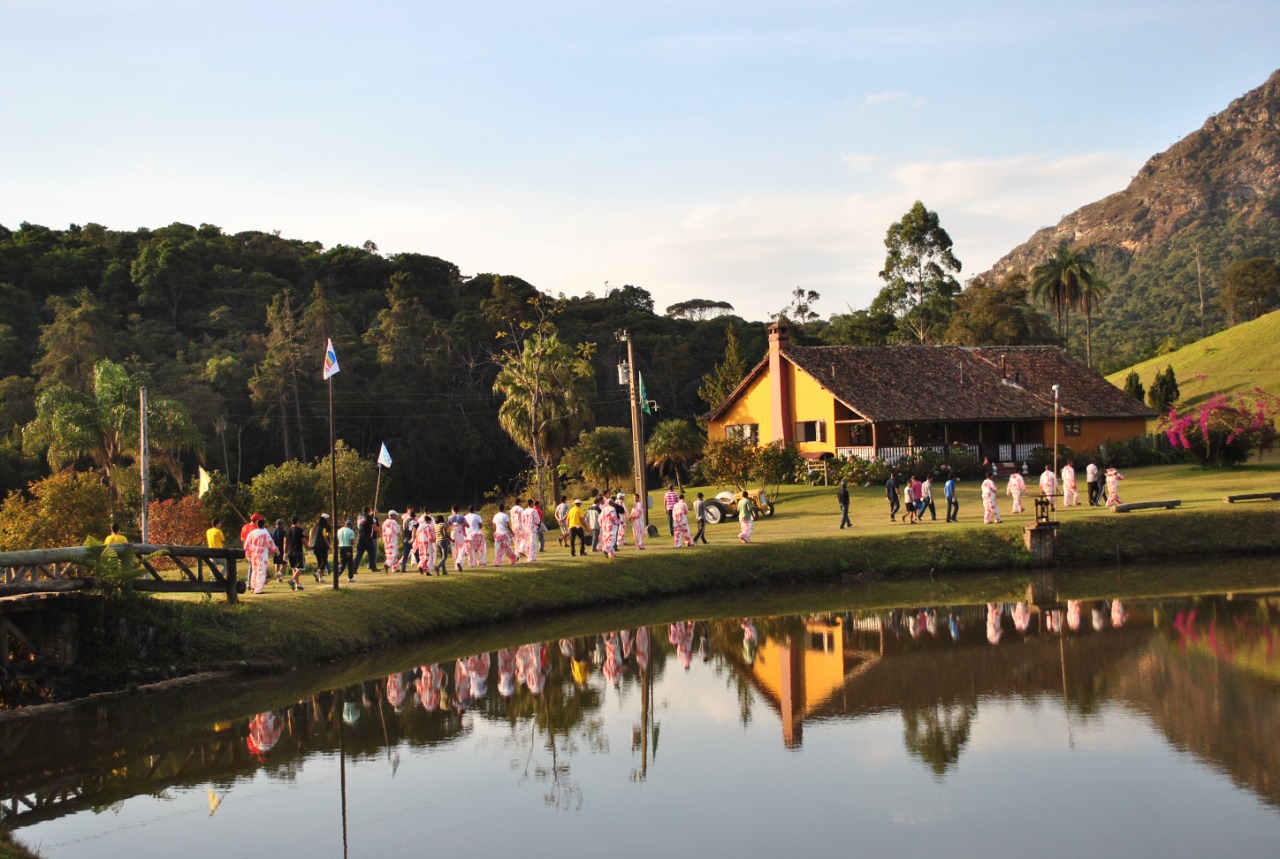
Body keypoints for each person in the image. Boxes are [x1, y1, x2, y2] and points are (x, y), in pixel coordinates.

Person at [243, 517, 278, 595]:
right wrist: (276, 550)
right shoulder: (265, 534)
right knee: (261, 572)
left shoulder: (251, 533)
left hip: (253, 555)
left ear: (256, 524)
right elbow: (271, 544)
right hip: (262, 556)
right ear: (263, 525)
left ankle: (253, 587)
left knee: (254, 571)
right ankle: (258, 589)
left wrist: (248, 554)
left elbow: (246, 545)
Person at [284, 515, 307, 591]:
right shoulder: (299, 530)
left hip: (290, 551)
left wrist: (285, 552)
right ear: (297, 521)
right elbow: (303, 540)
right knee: (301, 568)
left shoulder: (287, 530)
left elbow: (285, 542)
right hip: (298, 551)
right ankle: (292, 580)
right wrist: (308, 547)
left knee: (294, 568)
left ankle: (297, 585)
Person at [354, 507, 379, 573]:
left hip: (360, 537)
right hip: (367, 537)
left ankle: (354, 569)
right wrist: (374, 523)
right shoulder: (369, 517)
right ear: (368, 511)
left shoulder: (359, 517)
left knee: (359, 554)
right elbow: (374, 528)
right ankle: (373, 567)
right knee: (372, 553)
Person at [311, 513, 330, 583]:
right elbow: (325, 539)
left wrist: (310, 547)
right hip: (321, 546)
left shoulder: (312, 528)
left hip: (314, 546)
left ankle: (319, 578)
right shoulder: (323, 528)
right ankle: (318, 573)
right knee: (324, 561)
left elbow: (310, 538)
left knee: (319, 562)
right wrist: (329, 547)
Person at [400, 505, 418, 570]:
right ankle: (420, 566)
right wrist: (414, 538)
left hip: (406, 538)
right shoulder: (415, 522)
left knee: (405, 554)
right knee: (416, 553)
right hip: (412, 539)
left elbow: (404, 529)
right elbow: (414, 530)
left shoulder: (405, 521)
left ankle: (403, 567)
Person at [270, 518, 287, 583]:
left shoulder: (273, 531)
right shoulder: (283, 531)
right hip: (281, 549)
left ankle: (279, 579)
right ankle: (279, 573)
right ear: (282, 524)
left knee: (277, 563)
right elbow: (285, 541)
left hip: (275, 549)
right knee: (284, 563)